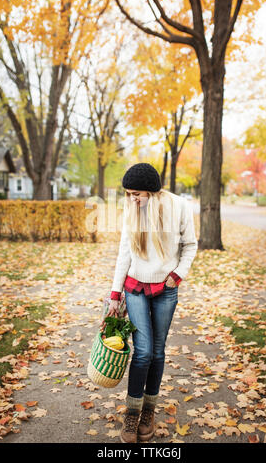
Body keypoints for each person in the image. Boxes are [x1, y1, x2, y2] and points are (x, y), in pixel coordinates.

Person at [105, 163, 198, 443]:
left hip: (166, 289)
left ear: (152, 191)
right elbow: (124, 253)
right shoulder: (132, 211)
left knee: (157, 352)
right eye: (128, 194)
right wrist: (114, 294)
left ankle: (149, 410)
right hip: (134, 287)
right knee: (143, 352)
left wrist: (177, 275)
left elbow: (190, 245)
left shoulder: (179, 207)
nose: (132, 199)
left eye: (136, 194)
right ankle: (132, 414)